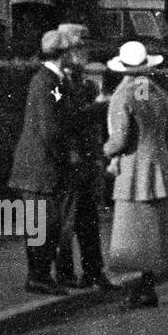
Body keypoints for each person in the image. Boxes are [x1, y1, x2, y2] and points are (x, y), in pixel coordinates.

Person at [103, 41, 168, 309]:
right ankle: (147, 286)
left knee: (131, 233)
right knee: (152, 231)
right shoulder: (158, 93)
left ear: (122, 68)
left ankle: (137, 291)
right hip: (158, 166)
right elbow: (166, 133)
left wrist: (104, 150)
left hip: (134, 171)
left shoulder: (123, 95)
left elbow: (120, 139)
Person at [7, 28, 77, 295]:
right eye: (71, 50)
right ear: (64, 53)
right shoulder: (46, 81)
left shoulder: (55, 80)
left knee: (48, 224)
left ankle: (42, 275)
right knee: (42, 225)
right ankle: (38, 277)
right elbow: (50, 130)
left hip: (44, 166)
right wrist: (67, 158)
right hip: (39, 167)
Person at [55, 24, 114, 290]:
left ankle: (93, 272)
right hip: (69, 162)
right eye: (80, 47)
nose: (85, 52)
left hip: (88, 160)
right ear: (66, 50)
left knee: (89, 220)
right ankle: (65, 274)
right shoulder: (57, 83)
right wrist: (99, 107)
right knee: (66, 222)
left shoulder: (85, 83)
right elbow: (64, 121)